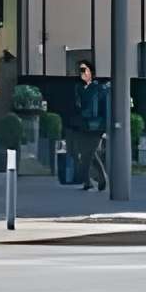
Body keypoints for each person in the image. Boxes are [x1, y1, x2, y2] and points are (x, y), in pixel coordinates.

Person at [64, 60, 112, 194]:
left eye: (84, 70)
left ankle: (92, 180)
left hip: (96, 127)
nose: (82, 73)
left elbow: (103, 108)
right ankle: (96, 179)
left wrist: (105, 128)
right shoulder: (78, 88)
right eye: (80, 70)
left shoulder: (99, 88)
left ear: (91, 72)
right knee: (88, 154)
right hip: (83, 126)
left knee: (88, 154)